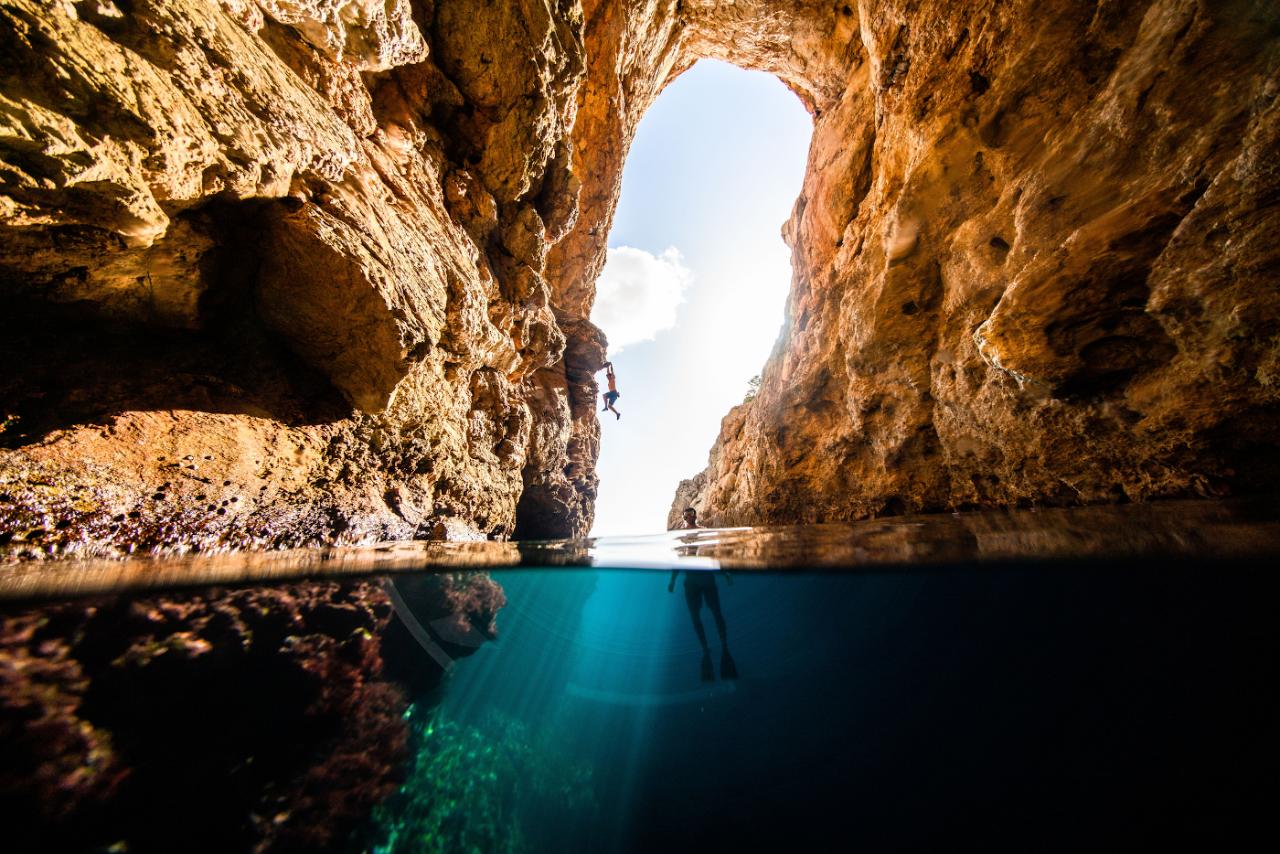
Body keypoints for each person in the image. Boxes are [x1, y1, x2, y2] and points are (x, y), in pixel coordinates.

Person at [669, 507, 738, 681]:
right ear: (683, 516)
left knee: (716, 613)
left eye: (691, 514)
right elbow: (678, 560)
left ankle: (724, 647)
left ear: (695, 515)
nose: (689, 516)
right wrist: (672, 580)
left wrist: (726, 572)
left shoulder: (704, 531)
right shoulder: (680, 535)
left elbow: (714, 554)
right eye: (686, 514)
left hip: (706, 577)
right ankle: (706, 650)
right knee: (695, 616)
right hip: (691, 581)